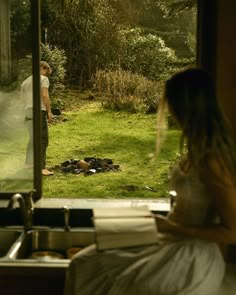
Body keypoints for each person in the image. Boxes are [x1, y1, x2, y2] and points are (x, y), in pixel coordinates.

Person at [64, 68, 236, 295]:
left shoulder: (212, 159)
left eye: (174, 104)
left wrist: (171, 226)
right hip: (169, 238)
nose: (171, 112)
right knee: (84, 262)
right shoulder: (195, 148)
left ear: (189, 107)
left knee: (102, 272)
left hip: (191, 257)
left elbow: (232, 231)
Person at [21, 61, 54, 176]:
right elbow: (44, 95)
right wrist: (49, 111)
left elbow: (22, 99)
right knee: (42, 139)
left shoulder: (26, 81)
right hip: (38, 111)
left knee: (32, 138)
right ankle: (41, 168)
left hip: (27, 111)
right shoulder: (43, 79)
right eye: (46, 72)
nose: (46, 75)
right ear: (43, 68)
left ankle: (29, 164)